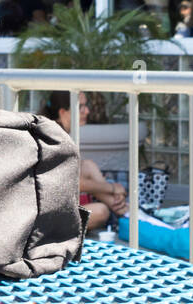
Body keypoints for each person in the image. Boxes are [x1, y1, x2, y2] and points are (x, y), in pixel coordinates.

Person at [40, 91, 128, 232]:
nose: (87, 111)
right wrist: (112, 188)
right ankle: (124, 211)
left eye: (85, 106)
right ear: (63, 112)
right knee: (100, 212)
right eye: (80, 106)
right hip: (44, 220)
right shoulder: (51, 138)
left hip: (57, 206)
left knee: (88, 166)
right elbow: (73, 182)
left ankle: (121, 209)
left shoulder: (57, 132)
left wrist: (113, 191)